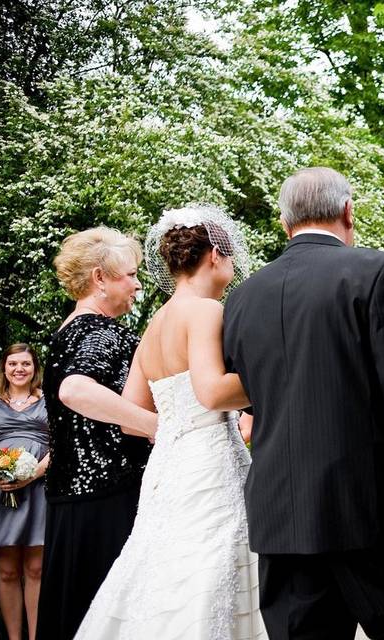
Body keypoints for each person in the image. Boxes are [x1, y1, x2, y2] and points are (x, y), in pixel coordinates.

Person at [223, 167, 384, 640]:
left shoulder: (243, 297)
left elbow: (251, 393)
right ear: (349, 211)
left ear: (284, 222)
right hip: (372, 508)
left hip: (282, 512)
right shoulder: (377, 271)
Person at [74, 205, 265, 639]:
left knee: (160, 568)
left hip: (169, 467)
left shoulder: (155, 324)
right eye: (231, 255)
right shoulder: (204, 311)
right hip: (210, 464)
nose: (233, 266)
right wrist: (277, 376)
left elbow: (131, 413)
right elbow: (212, 392)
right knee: (208, 569)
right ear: (215, 254)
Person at [37, 227, 157, 640]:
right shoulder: (99, 332)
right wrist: (154, 425)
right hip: (105, 497)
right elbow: (75, 389)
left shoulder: (68, 331)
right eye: (129, 274)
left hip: (76, 498)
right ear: (99, 278)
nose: (137, 283)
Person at [0, 343, 50, 640]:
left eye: (26, 364)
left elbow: (59, 446)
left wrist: (32, 473)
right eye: (13, 364)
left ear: (34, 369)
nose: (19, 369)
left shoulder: (49, 402)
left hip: (40, 487)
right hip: (0, 489)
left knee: (35, 569)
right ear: (4, 368)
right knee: (7, 570)